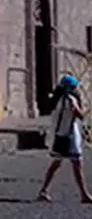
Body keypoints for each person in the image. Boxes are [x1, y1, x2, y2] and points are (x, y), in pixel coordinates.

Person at [38, 75, 92, 203]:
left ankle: (44, 190)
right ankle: (84, 194)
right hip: (68, 134)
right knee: (76, 163)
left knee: (58, 163)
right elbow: (79, 114)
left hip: (61, 133)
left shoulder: (60, 99)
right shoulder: (70, 99)